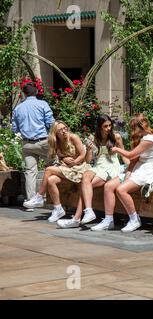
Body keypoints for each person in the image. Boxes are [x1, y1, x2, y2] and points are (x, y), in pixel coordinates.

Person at [56, 115, 129, 228]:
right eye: (105, 126)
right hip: (98, 167)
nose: (108, 128)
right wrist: (89, 150)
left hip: (111, 168)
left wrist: (130, 167)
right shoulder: (96, 138)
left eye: (110, 125)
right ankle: (88, 211)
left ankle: (76, 218)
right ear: (99, 127)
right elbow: (88, 160)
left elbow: (124, 155)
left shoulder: (116, 137)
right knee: (86, 176)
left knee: (85, 188)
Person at [97, 113, 153, 233]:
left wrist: (117, 149)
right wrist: (128, 172)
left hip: (148, 170)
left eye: (133, 127)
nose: (132, 130)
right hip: (138, 168)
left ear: (140, 126)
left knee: (121, 190)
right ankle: (108, 220)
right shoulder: (143, 138)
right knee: (109, 186)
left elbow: (131, 155)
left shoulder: (149, 139)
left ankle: (134, 219)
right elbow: (134, 160)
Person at [23, 121, 90, 222]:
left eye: (65, 128)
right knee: (51, 180)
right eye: (60, 130)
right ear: (55, 133)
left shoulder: (73, 137)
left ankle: (39, 197)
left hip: (79, 168)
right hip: (68, 169)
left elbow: (82, 155)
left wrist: (73, 162)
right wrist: (64, 159)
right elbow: (60, 157)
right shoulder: (57, 142)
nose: (64, 131)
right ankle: (58, 208)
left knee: (49, 170)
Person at [12, 82, 54, 212]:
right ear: (36, 92)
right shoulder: (43, 104)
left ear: (24, 93)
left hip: (27, 143)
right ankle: (54, 200)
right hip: (43, 142)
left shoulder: (18, 108)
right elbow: (51, 123)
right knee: (54, 167)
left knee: (30, 172)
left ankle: (31, 202)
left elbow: (15, 129)